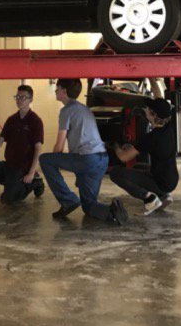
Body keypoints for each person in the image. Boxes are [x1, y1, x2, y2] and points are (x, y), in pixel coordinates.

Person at [38, 78, 129, 225]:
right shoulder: (84, 109)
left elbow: (59, 147)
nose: (55, 91)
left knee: (45, 159)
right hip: (101, 159)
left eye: (57, 88)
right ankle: (112, 212)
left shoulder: (66, 111)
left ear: (64, 91)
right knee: (88, 205)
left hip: (88, 159)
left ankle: (68, 200)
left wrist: (57, 162)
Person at [0, 84, 46, 204]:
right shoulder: (11, 120)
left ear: (30, 100)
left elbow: (38, 148)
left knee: (7, 199)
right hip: (9, 165)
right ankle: (12, 182)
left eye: (23, 97)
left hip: (23, 168)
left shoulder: (35, 121)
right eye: (17, 97)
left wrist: (32, 172)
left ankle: (34, 182)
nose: (19, 100)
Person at [110, 97, 178, 215]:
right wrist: (151, 80)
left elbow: (123, 157)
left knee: (115, 173)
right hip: (171, 179)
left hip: (160, 182)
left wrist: (114, 144)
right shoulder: (169, 126)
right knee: (137, 167)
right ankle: (163, 195)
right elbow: (160, 99)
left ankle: (149, 198)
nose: (145, 110)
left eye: (147, 109)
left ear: (152, 115)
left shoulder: (151, 138)